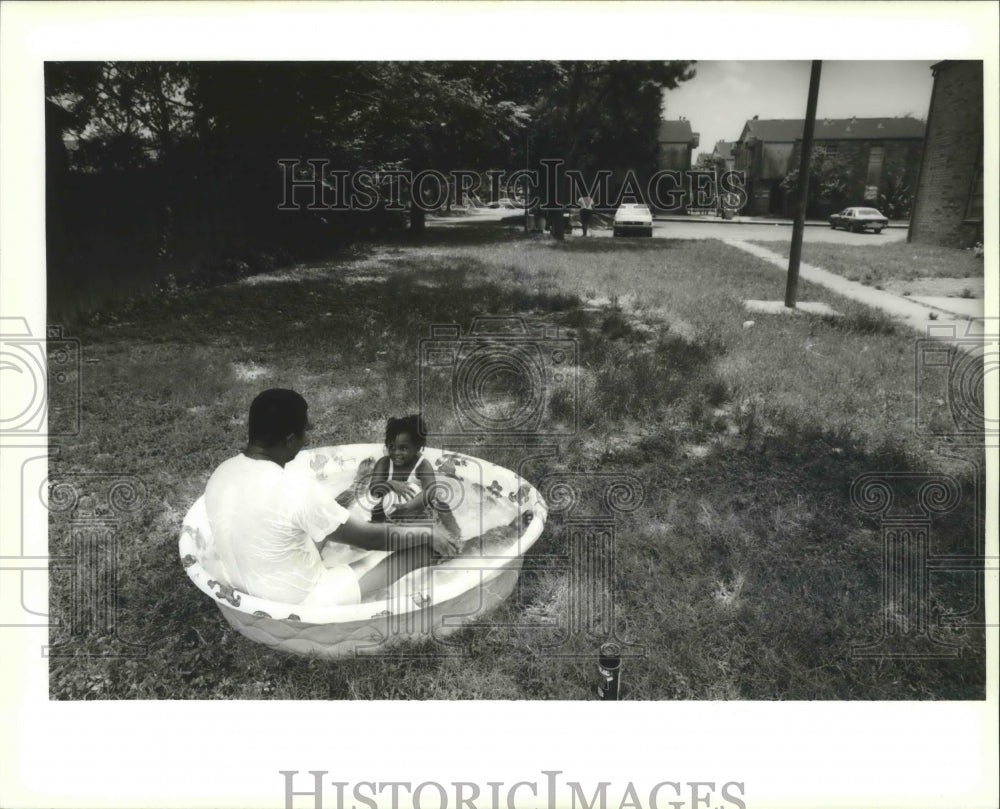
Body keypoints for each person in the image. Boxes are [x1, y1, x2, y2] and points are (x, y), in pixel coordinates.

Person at [203, 389, 458, 608]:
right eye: (304, 432)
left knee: (322, 525)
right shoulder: (294, 487)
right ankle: (468, 551)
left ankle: (356, 488)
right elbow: (370, 538)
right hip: (300, 599)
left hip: (244, 586)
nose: (306, 439)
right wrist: (428, 533)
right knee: (424, 548)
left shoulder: (221, 473)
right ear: (291, 439)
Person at [368, 414, 462, 540]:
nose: (396, 453)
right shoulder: (384, 463)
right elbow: (374, 489)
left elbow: (430, 491)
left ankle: (456, 538)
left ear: (417, 447)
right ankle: (375, 538)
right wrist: (390, 484)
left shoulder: (422, 465)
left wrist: (409, 507)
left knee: (441, 506)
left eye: (403, 448)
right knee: (376, 511)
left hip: (419, 506)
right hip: (390, 506)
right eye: (392, 447)